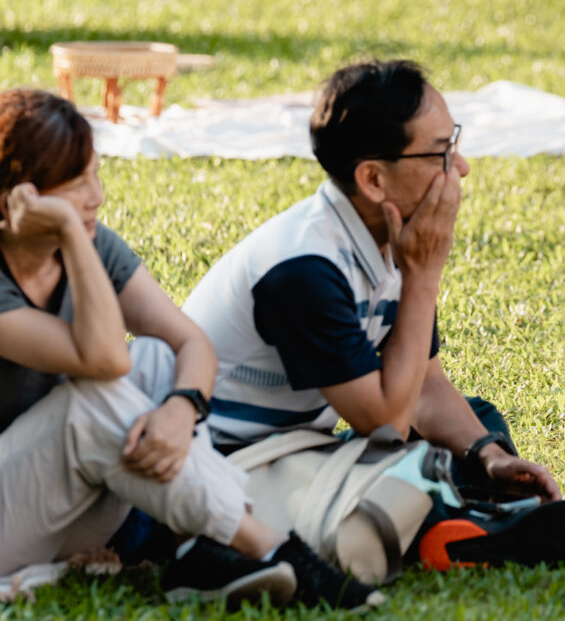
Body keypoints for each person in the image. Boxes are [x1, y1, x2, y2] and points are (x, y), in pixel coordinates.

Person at [0, 89, 381, 610]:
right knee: (88, 401)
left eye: (96, 174)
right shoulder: (71, 244)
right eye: (75, 184)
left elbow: (190, 341)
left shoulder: (91, 243)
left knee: (159, 361)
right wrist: (70, 233)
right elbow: (105, 358)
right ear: (18, 199)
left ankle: (196, 549)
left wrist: (182, 407)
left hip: (61, 506)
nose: (96, 197)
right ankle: (265, 545)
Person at [182, 60, 561, 506]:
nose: (460, 168)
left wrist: (487, 455)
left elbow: (425, 385)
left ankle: (474, 504)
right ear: (374, 179)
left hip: (301, 452)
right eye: (440, 154)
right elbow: (386, 428)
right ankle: (470, 521)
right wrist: (423, 277)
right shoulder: (305, 269)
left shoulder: (387, 239)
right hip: (225, 468)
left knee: (475, 422)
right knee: (399, 468)